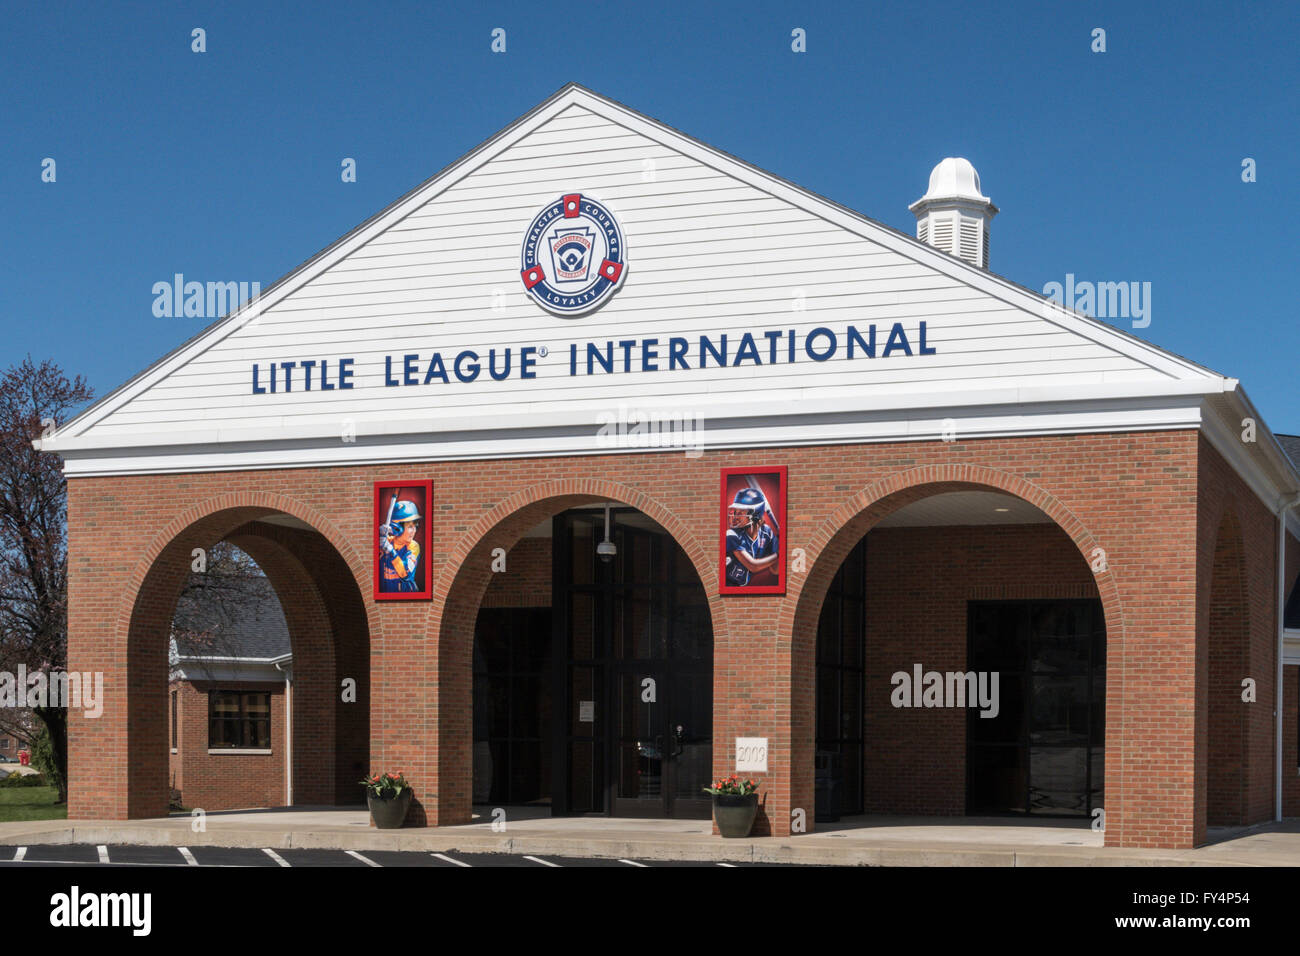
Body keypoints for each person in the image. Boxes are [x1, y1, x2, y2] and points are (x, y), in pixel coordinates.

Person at [724, 487, 778, 587]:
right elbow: (753, 566)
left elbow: (775, 570)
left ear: (755, 514)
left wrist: (780, 544)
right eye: (735, 512)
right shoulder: (731, 535)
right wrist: (779, 555)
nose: (735, 516)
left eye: (741, 512)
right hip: (727, 587)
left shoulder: (766, 533)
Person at [379, 499, 422, 592]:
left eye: (415, 526)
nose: (414, 531)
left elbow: (404, 573)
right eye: (410, 527)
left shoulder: (413, 546)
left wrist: (391, 551)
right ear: (397, 528)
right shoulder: (386, 542)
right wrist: (378, 535)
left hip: (407, 597)